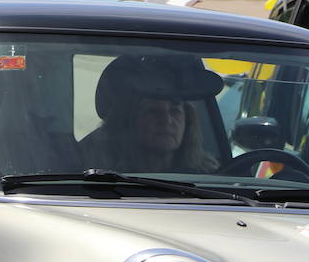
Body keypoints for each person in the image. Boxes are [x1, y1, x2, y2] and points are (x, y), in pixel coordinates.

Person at [78, 54, 222, 173]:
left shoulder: (209, 177)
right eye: (153, 111)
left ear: (188, 121)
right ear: (128, 121)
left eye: (175, 111)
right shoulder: (92, 171)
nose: (166, 120)